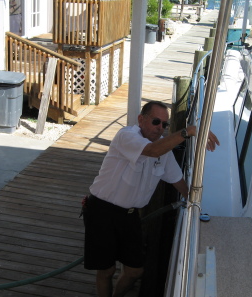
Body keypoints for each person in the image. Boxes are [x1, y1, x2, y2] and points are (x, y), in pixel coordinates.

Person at [82, 100, 219, 297]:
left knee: (135, 271)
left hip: (130, 216)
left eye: (165, 125)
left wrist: (197, 205)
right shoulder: (126, 136)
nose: (160, 128)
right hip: (102, 211)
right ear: (141, 119)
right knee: (106, 271)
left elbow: (178, 181)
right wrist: (187, 131)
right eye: (156, 121)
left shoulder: (164, 152)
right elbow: (151, 151)